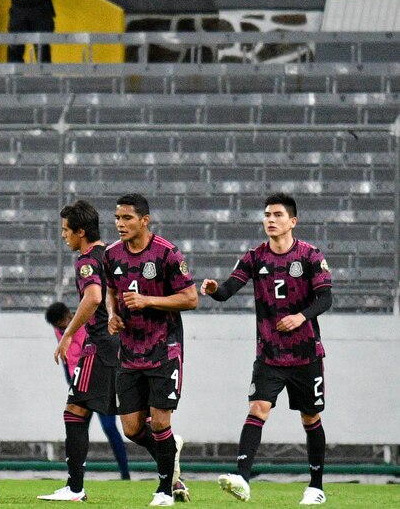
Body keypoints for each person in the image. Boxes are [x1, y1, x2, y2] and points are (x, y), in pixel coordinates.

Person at [201, 193, 333, 506]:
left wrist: (300, 317)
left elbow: (325, 298)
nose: (270, 220)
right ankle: (242, 479)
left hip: (306, 355)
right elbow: (228, 290)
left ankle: (316, 487)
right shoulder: (254, 257)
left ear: (293, 221)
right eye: (266, 215)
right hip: (269, 355)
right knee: (257, 408)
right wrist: (213, 290)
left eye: (277, 215)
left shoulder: (310, 256)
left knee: (310, 418)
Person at [102, 193, 197, 506]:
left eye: (127, 218)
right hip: (129, 351)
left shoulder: (166, 253)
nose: (120, 224)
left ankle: (164, 490)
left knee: (159, 422)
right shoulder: (112, 254)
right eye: (117, 218)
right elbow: (111, 291)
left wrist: (148, 300)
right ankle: (172, 461)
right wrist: (114, 315)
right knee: (131, 428)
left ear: (144, 220)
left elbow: (190, 298)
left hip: (163, 348)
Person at [38, 200, 130, 503]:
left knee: (74, 413)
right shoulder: (113, 254)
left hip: (100, 346)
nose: (64, 236)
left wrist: (67, 335)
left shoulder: (87, 260)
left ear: (80, 232)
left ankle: (75, 488)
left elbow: (92, 297)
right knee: (135, 427)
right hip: (122, 345)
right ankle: (171, 472)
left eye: (66, 231)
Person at [40, 303, 131, 496]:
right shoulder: (62, 331)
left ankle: (125, 474)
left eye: (64, 325)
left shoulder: (86, 323)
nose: (63, 330)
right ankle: (75, 482)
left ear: (69, 315)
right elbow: (69, 361)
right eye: (59, 328)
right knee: (76, 428)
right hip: (79, 382)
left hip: (97, 379)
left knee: (111, 428)